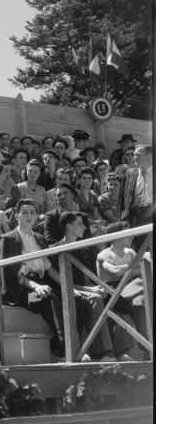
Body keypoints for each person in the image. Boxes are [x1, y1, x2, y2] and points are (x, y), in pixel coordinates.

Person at [0, 199, 65, 360]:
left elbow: (49, 268)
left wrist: (71, 288)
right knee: (48, 297)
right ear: (17, 216)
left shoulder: (40, 238)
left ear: (36, 217)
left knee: (77, 300)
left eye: (32, 212)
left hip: (41, 282)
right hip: (20, 288)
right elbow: (11, 272)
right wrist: (35, 286)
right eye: (25, 212)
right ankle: (63, 347)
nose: (29, 216)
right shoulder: (7, 238)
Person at [51, 212, 117, 362]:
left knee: (115, 299)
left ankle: (117, 351)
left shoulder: (83, 250)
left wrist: (98, 288)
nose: (84, 227)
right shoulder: (54, 249)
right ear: (69, 226)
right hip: (62, 292)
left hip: (82, 291)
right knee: (94, 298)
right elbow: (62, 282)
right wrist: (91, 290)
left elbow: (87, 280)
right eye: (80, 223)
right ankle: (102, 353)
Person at [97, 221, 148, 361]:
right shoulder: (104, 254)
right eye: (128, 234)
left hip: (130, 291)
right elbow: (114, 272)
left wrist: (130, 269)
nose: (132, 237)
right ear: (116, 236)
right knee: (144, 283)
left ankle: (147, 349)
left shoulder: (130, 252)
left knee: (141, 306)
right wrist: (133, 266)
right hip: (111, 292)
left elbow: (142, 269)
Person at [119, 144, 153, 227]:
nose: (134, 158)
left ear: (150, 157)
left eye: (137, 155)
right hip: (136, 216)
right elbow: (123, 199)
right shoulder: (130, 174)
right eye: (134, 155)